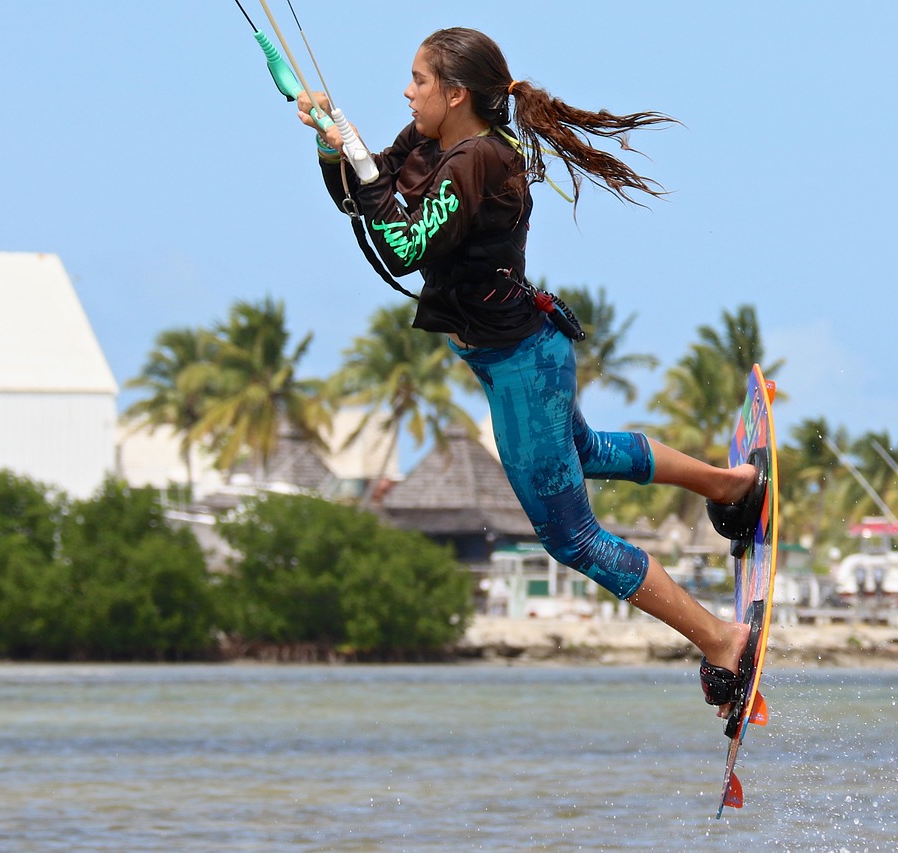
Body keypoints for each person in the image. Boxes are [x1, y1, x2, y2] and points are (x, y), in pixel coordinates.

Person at [299, 27, 764, 716]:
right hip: (520, 355)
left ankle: (723, 639)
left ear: (456, 93)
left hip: (523, 366)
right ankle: (734, 483)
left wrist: (360, 167)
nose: (407, 90)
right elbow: (363, 198)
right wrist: (333, 145)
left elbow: (401, 243)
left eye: (418, 80)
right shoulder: (431, 141)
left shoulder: (479, 160)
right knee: (584, 451)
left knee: (572, 537)